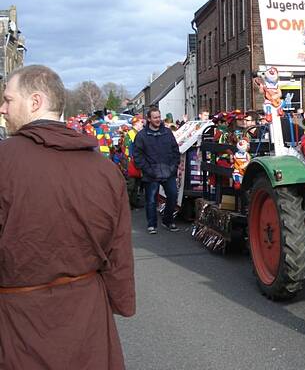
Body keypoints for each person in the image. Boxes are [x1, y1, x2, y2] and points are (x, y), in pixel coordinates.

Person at [0, 65, 135, 369]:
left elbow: (118, 246)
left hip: (19, 322)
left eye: (8, 100)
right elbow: (119, 251)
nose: (2, 108)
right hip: (85, 316)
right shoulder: (105, 170)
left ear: (35, 102)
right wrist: (121, 300)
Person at [133, 106, 181, 234]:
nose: (158, 119)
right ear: (149, 119)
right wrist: (148, 170)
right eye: (155, 117)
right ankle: (152, 224)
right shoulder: (141, 136)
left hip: (168, 171)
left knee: (173, 196)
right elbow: (137, 156)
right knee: (151, 200)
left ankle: (168, 221)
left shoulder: (167, 132)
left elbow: (175, 151)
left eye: (159, 117)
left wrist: (173, 167)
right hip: (151, 173)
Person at [124, 114, 145, 208]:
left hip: (135, 161)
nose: (142, 124)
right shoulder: (132, 133)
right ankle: (127, 204)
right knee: (131, 184)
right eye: (141, 122)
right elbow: (133, 149)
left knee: (136, 183)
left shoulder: (136, 133)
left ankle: (133, 202)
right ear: (136, 123)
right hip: (131, 162)